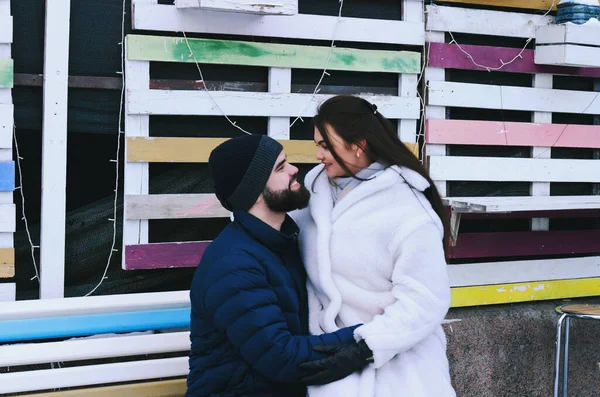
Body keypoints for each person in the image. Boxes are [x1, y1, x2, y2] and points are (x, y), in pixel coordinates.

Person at [290, 95, 456, 397]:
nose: (317, 155)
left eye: (325, 145)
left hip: (400, 364)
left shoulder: (408, 211)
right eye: (317, 144)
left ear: (359, 144)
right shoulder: (315, 189)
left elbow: (425, 301)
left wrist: (366, 348)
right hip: (325, 354)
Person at [185, 134, 373, 397]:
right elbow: (282, 357)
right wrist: (372, 338)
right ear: (255, 190)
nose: (295, 169)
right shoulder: (233, 264)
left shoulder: (284, 242)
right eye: (281, 167)